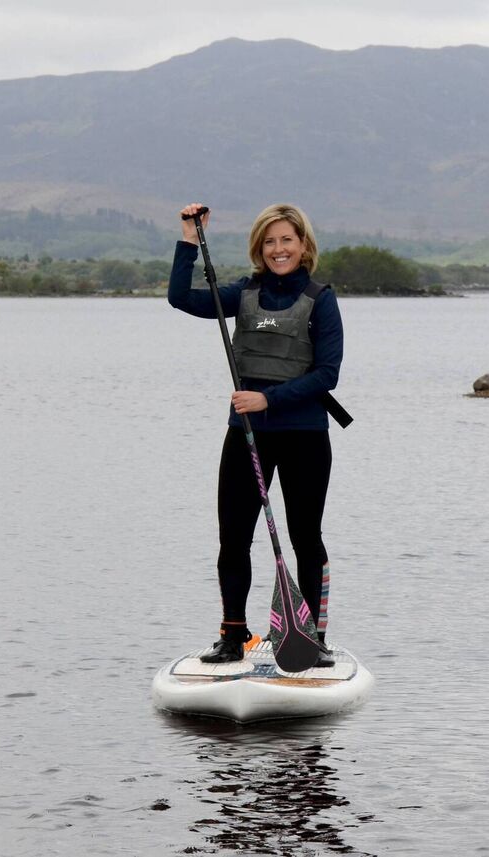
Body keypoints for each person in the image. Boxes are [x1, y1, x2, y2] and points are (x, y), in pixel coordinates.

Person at [169, 202, 344, 666]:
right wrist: (189, 240)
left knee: (306, 537)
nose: (278, 249)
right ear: (258, 249)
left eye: (287, 240)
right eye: (270, 241)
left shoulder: (320, 298)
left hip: (305, 434)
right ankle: (233, 634)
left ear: (304, 245)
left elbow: (327, 374)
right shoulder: (242, 294)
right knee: (233, 537)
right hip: (246, 435)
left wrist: (268, 400)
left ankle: (313, 637)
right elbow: (181, 299)